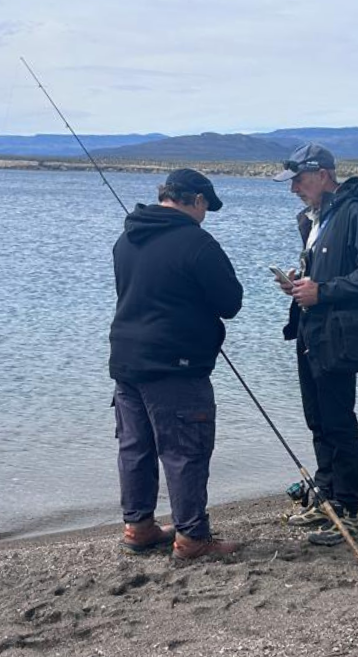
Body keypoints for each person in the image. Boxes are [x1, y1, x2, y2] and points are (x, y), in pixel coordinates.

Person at [109, 168, 244, 560]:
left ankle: (138, 527)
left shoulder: (126, 238)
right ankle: (191, 537)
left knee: (136, 446)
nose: (205, 215)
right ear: (196, 200)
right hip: (177, 365)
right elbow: (230, 302)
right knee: (185, 450)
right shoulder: (197, 242)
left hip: (126, 360)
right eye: (206, 207)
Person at [272, 142, 358, 547]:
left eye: (299, 181)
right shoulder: (314, 218)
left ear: (323, 174)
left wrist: (322, 291)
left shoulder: (356, 213)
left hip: (340, 336)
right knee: (317, 418)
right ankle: (325, 499)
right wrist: (299, 283)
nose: (294, 190)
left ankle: (348, 509)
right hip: (311, 332)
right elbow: (324, 272)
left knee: (339, 420)